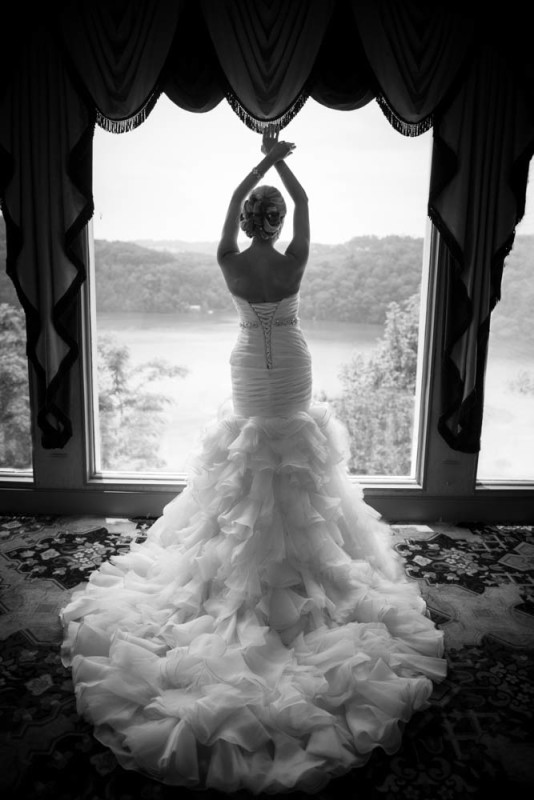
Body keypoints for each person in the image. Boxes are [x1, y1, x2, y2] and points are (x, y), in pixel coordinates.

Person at [60, 128, 446, 794]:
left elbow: (240, 206)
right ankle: (299, 569)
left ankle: (247, 570)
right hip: (290, 362)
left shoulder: (228, 260)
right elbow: (302, 204)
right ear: (280, 222)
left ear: (244, 221)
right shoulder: (293, 260)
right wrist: (281, 168)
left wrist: (256, 166)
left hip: (249, 364)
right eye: (278, 214)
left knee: (250, 463)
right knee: (296, 461)